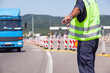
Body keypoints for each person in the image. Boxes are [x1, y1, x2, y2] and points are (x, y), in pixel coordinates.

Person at [62, 0, 101, 73]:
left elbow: (78, 9)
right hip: (93, 39)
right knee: (89, 66)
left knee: (85, 68)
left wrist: (70, 16)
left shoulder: (82, 1)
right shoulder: (92, 1)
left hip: (85, 39)